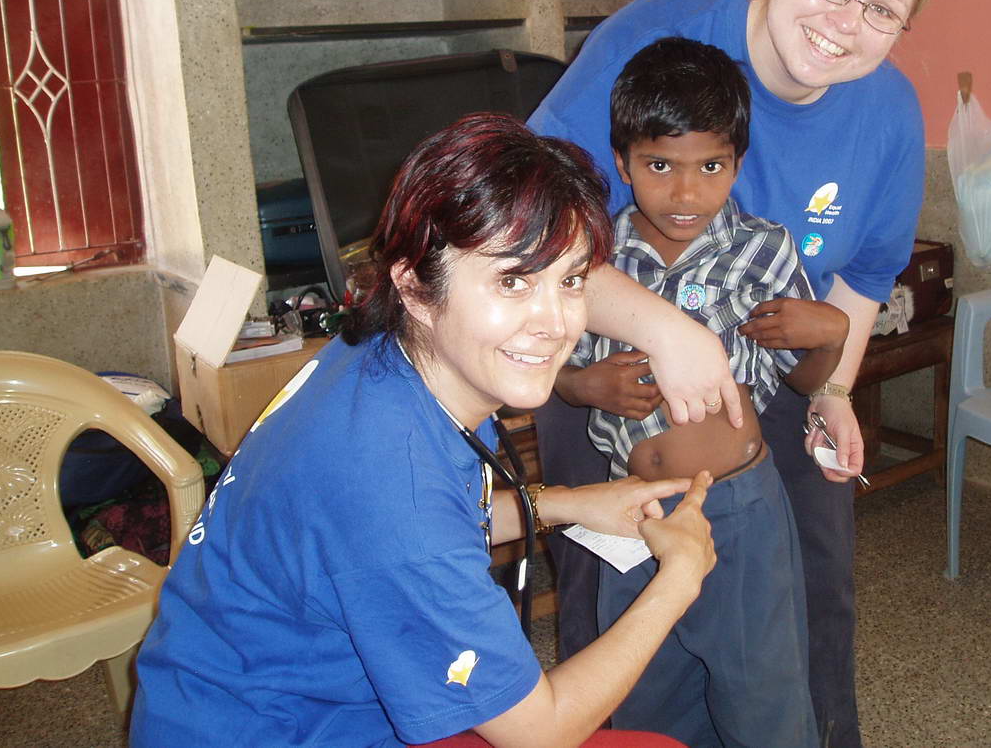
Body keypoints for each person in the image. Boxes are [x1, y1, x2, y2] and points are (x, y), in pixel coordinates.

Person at [130, 113, 731, 748]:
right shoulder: (393, 487)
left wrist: (566, 504)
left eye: (571, 280)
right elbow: (540, 733)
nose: (556, 324)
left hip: (232, 688)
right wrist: (679, 576)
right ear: (415, 286)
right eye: (512, 281)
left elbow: (433, 519)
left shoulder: (376, 354)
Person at [528, 0, 938, 746]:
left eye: (881, 9)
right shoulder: (654, 41)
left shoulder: (887, 112)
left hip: (769, 375)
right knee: (623, 611)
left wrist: (832, 394)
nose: (845, 21)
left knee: (808, 595)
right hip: (614, 376)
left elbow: (861, 278)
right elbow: (532, 227)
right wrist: (662, 331)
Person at [560, 37, 847, 747]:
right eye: (660, 165)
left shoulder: (762, 248)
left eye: (710, 166)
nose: (685, 193)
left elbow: (800, 382)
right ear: (622, 162)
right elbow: (545, 367)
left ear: (737, 164)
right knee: (643, 691)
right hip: (630, 510)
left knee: (762, 694)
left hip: (737, 506)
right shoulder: (593, 259)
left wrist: (831, 337)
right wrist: (582, 385)